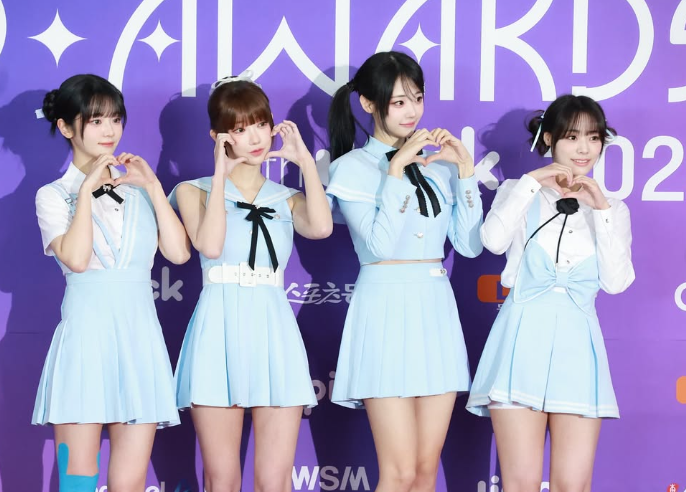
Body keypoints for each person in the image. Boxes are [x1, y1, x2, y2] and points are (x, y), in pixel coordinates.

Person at [326, 51, 483, 492]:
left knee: (425, 471)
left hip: (435, 308)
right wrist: (396, 171)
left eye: (417, 98)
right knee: (398, 473)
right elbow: (378, 248)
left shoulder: (441, 167)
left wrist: (465, 172)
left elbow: (469, 246)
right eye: (398, 102)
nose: (411, 111)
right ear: (368, 104)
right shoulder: (350, 169)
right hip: (384, 307)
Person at [169, 71, 332, 492]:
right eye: (241, 129)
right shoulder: (192, 191)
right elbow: (209, 245)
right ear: (219, 136)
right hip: (218, 325)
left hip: (273, 327)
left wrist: (305, 163)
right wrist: (219, 175)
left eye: (261, 123)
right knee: (221, 479)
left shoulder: (286, 197)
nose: (256, 137)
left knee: (274, 481)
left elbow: (321, 227)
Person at [466, 94, 635, 492]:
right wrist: (530, 184)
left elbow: (616, 282)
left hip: (578, 351)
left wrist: (600, 208)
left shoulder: (613, 209)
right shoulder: (517, 190)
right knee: (520, 484)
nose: (584, 148)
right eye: (572, 137)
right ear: (549, 139)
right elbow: (492, 241)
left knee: (572, 485)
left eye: (593, 138)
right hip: (520, 344)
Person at [33, 74, 190, 491]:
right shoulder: (53, 195)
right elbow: (76, 259)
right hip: (85, 343)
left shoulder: (139, 191)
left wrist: (153, 186)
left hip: (139, 342)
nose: (109, 130)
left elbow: (179, 253)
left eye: (115, 119)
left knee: (130, 481)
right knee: (77, 481)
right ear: (66, 127)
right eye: (96, 120)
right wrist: (86, 191)